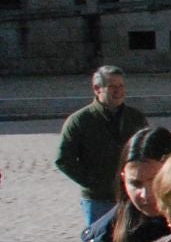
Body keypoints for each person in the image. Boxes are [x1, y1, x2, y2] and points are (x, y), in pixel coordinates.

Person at [56, 66, 150, 232]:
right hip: (98, 200)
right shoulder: (80, 121)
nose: (118, 91)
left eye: (121, 86)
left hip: (130, 195)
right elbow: (64, 159)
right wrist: (93, 182)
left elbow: (147, 149)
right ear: (97, 89)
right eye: (112, 87)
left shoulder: (135, 117)